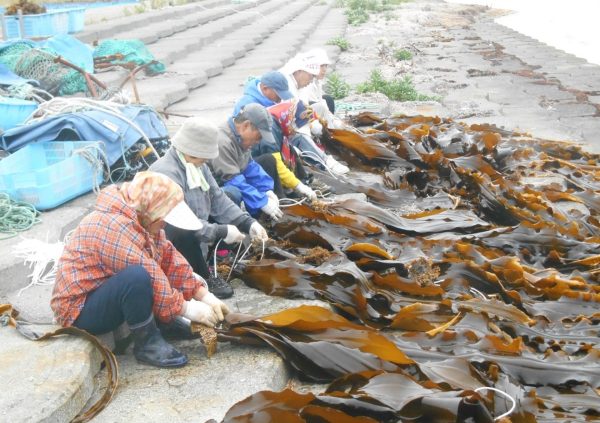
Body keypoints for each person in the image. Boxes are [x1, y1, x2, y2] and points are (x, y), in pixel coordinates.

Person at [50, 172, 230, 368]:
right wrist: (187, 308)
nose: (165, 224)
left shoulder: (141, 216)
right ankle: (147, 343)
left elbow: (169, 259)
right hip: (80, 309)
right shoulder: (112, 226)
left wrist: (204, 295)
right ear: (150, 211)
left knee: (150, 267)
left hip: (105, 291)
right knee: (136, 277)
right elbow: (150, 274)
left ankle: (164, 324)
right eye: (164, 218)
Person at [150, 118, 269, 299]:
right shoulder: (167, 173)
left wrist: (247, 223)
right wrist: (220, 231)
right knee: (181, 229)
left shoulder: (198, 166)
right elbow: (182, 223)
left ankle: (212, 254)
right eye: (203, 157)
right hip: (173, 240)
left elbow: (218, 198)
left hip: (199, 228)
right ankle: (202, 276)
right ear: (191, 150)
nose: (206, 161)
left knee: (230, 194)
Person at [210, 103, 284, 221]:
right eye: (259, 136)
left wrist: (267, 190)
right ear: (245, 126)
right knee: (233, 192)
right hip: (213, 189)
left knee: (267, 160)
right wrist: (262, 201)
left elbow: (250, 167)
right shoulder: (222, 141)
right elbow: (232, 180)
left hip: (231, 178)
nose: (258, 141)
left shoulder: (240, 138)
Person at [279, 54, 350, 176]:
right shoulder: (287, 86)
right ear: (299, 71)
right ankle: (324, 160)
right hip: (280, 129)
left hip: (289, 125)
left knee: (312, 125)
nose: (311, 80)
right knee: (301, 137)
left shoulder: (299, 85)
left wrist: (313, 122)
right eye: (310, 76)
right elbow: (292, 119)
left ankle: (323, 155)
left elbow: (304, 112)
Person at [298, 48, 342, 128]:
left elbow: (321, 101)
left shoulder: (317, 81)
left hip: (313, 109)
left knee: (328, 100)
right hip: (304, 114)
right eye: (321, 66)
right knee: (321, 108)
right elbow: (310, 105)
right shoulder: (306, 82)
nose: (324, 69)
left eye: (326, 66)